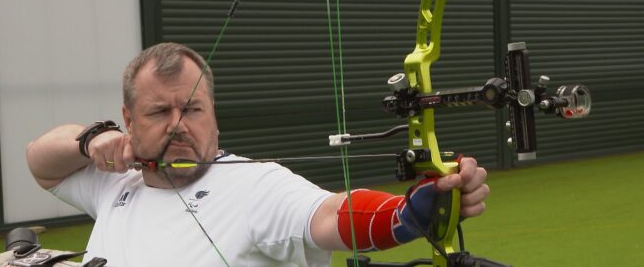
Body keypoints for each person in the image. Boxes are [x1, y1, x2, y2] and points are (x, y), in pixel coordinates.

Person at [26, 42, 490, 266]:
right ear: (128, 121)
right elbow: (40, 163)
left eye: (191, 108)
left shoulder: (254, 185)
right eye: (158, 111)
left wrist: (406, 214)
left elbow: (327, 215)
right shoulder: (115, 182)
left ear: (213, 114)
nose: (178, 124)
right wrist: (90, 139)